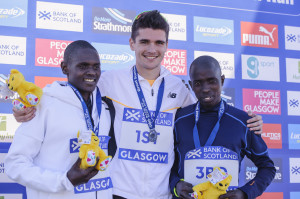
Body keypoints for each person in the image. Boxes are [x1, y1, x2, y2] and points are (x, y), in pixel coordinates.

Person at [12, 11, 263, 199]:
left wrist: (250, 120)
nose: (151, 49)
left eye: (158, 43)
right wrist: (27, 106)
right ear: (132, 44)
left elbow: (211, 112)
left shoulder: (180, 89)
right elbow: (68, 92)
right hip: (118, 191)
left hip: (163, 192)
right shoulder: (109, 80)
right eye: (144, 42)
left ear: (167, 46)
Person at [5, 40, 116, 199]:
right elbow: (15, 164)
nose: (92, 72)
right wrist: (64, 180)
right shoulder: (43, 105)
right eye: (83, 66)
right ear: (65, 68)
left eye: (96, 67)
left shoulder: (105, 108)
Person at [169, 56, 275, 199]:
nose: (206, 89)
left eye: (212, 81)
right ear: (191, 85)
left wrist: (245, 193)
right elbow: (167, 163)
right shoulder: (179, 119)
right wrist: (175, 184)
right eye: (198, 83)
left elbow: (267, 167)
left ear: (222, 80)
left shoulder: (243, 121)